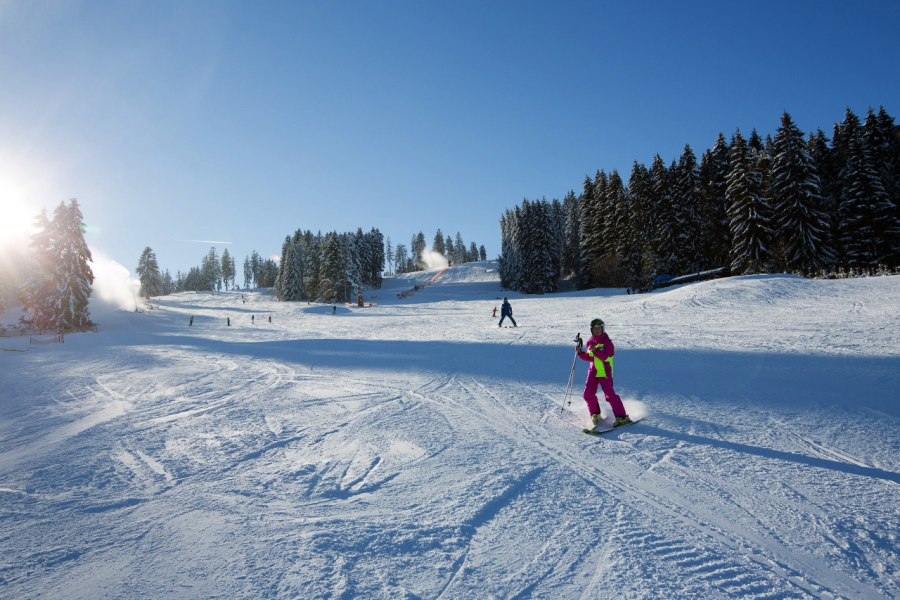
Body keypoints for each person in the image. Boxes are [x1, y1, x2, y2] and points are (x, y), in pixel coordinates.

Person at [576, 318, 631, 427]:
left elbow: (608, 357)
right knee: (587, 394)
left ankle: (621, 417)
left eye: (599, 328)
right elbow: (590, 357)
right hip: (593, 372)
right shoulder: (590, 342)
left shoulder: (607, 342)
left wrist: (596, 351)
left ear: (602, 329)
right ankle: (595, 414)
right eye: (594, 328)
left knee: (609, 395)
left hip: (605, 372)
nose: (597, 330)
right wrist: (580, 353)